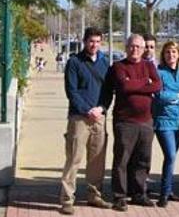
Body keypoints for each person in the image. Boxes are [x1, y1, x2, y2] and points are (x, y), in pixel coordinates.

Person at [100, 34, 162, 210]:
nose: (135, 50)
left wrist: (136, 83)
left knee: (143, 160)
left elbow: (157, 85)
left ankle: (139, 193)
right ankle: (120, 196)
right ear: (126, 48)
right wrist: (145, 82)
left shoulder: (149, 65)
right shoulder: (118, 67)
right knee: (122, 160)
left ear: (143, 50)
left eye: (138, 47)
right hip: (125, 121)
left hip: (146, 121)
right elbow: (124, 86)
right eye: (131, 46)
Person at [59, 28, 112, 215]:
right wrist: (85, 110)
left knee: (97, 160)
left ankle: (94, 194)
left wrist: (102, 108)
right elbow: (71, 91)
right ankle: (67, 199)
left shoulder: (105, 63)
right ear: (84, 41)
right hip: (79, 118)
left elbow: (108, 92)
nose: (94, 45)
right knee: (74, 158)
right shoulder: (74, 62)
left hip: (99, 117)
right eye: (91, 41)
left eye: (98, 41)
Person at [152, 41, 179, 207]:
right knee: (170, 155)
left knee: (172, 158)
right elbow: (159, 95)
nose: (171, 55)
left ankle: (169, 190)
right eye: (168, 52)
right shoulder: (159, 72)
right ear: (163, 55)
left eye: (174, 52)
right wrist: (178, 96)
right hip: (164, 121)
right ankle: (164, 193)